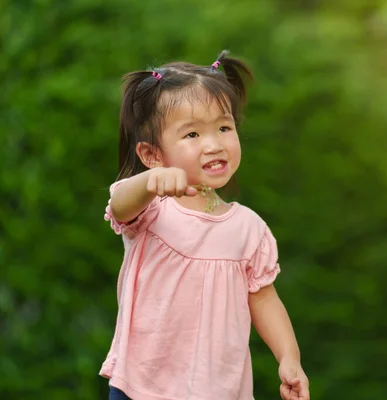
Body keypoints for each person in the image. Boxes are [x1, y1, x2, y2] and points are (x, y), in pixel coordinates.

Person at [100, 50, 310, 400]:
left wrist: (290, 357)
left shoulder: (248, 228)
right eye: (192, 135)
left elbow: (264, 299)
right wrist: (151, 183)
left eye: (224, 128)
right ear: (152, 155)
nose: (214, 144)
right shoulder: (153, 211)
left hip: (218, 389)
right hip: (144, 385)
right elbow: (120, 205)